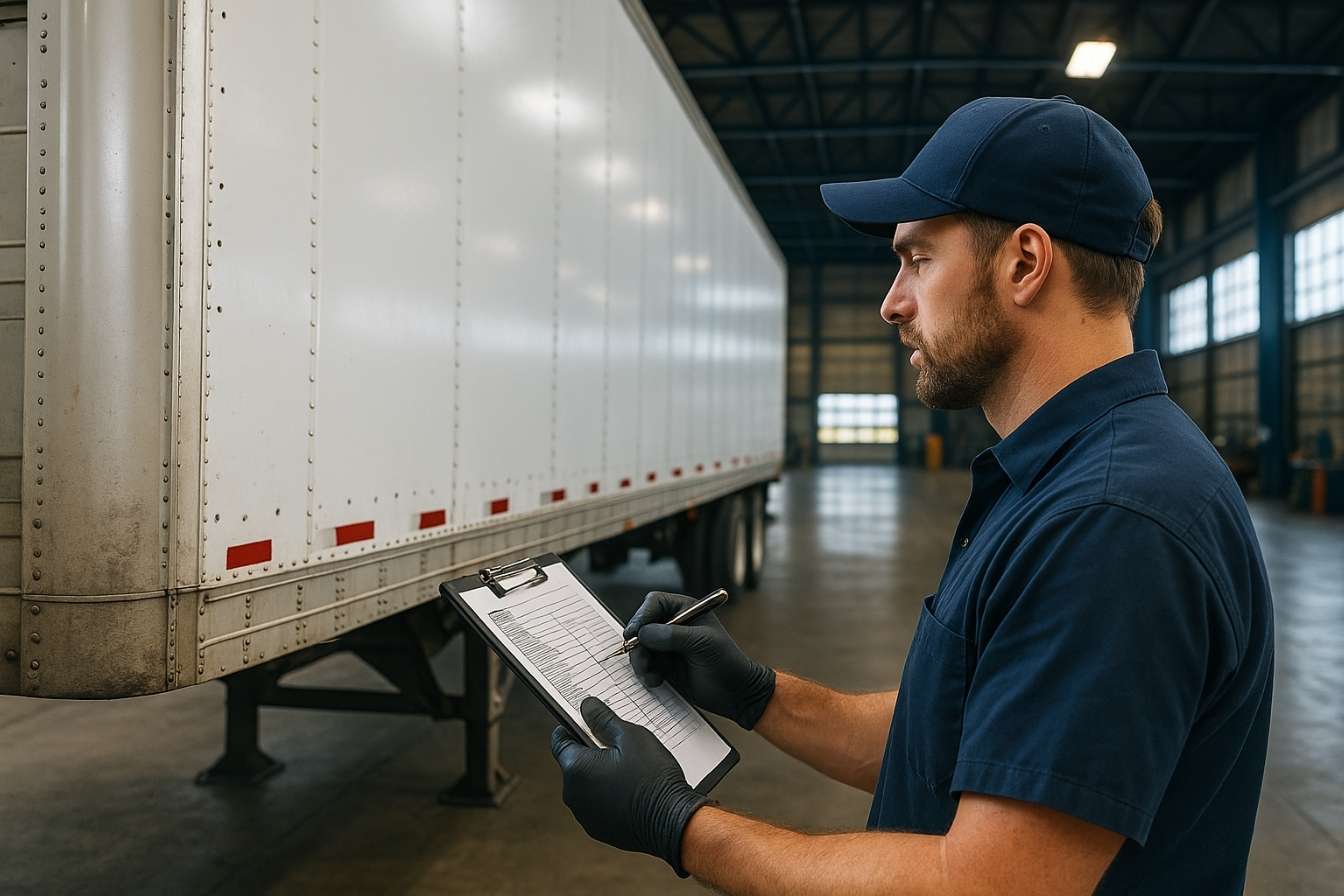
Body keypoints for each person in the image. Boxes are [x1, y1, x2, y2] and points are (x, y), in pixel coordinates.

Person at [550, 95, 1275, 894]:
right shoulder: (1063, 474)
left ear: (1025, 264)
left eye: (919, 259)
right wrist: (758, 693)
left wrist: (676, 823)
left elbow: (985, 885)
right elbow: (965, 735)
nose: (894, 302)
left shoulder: (1111, 518)